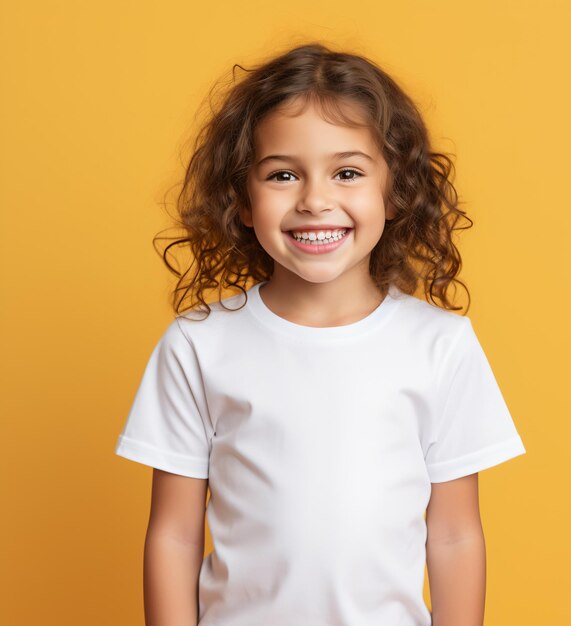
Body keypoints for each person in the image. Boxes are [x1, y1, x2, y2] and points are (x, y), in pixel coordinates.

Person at [114, 41, 526, 626]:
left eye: (347, 172)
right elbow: (174, 537)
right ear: (243, 199)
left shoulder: (440, 346)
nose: (315, 200)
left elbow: (456, 535)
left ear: (395, 190)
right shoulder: (198, 346)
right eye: (283, 174)